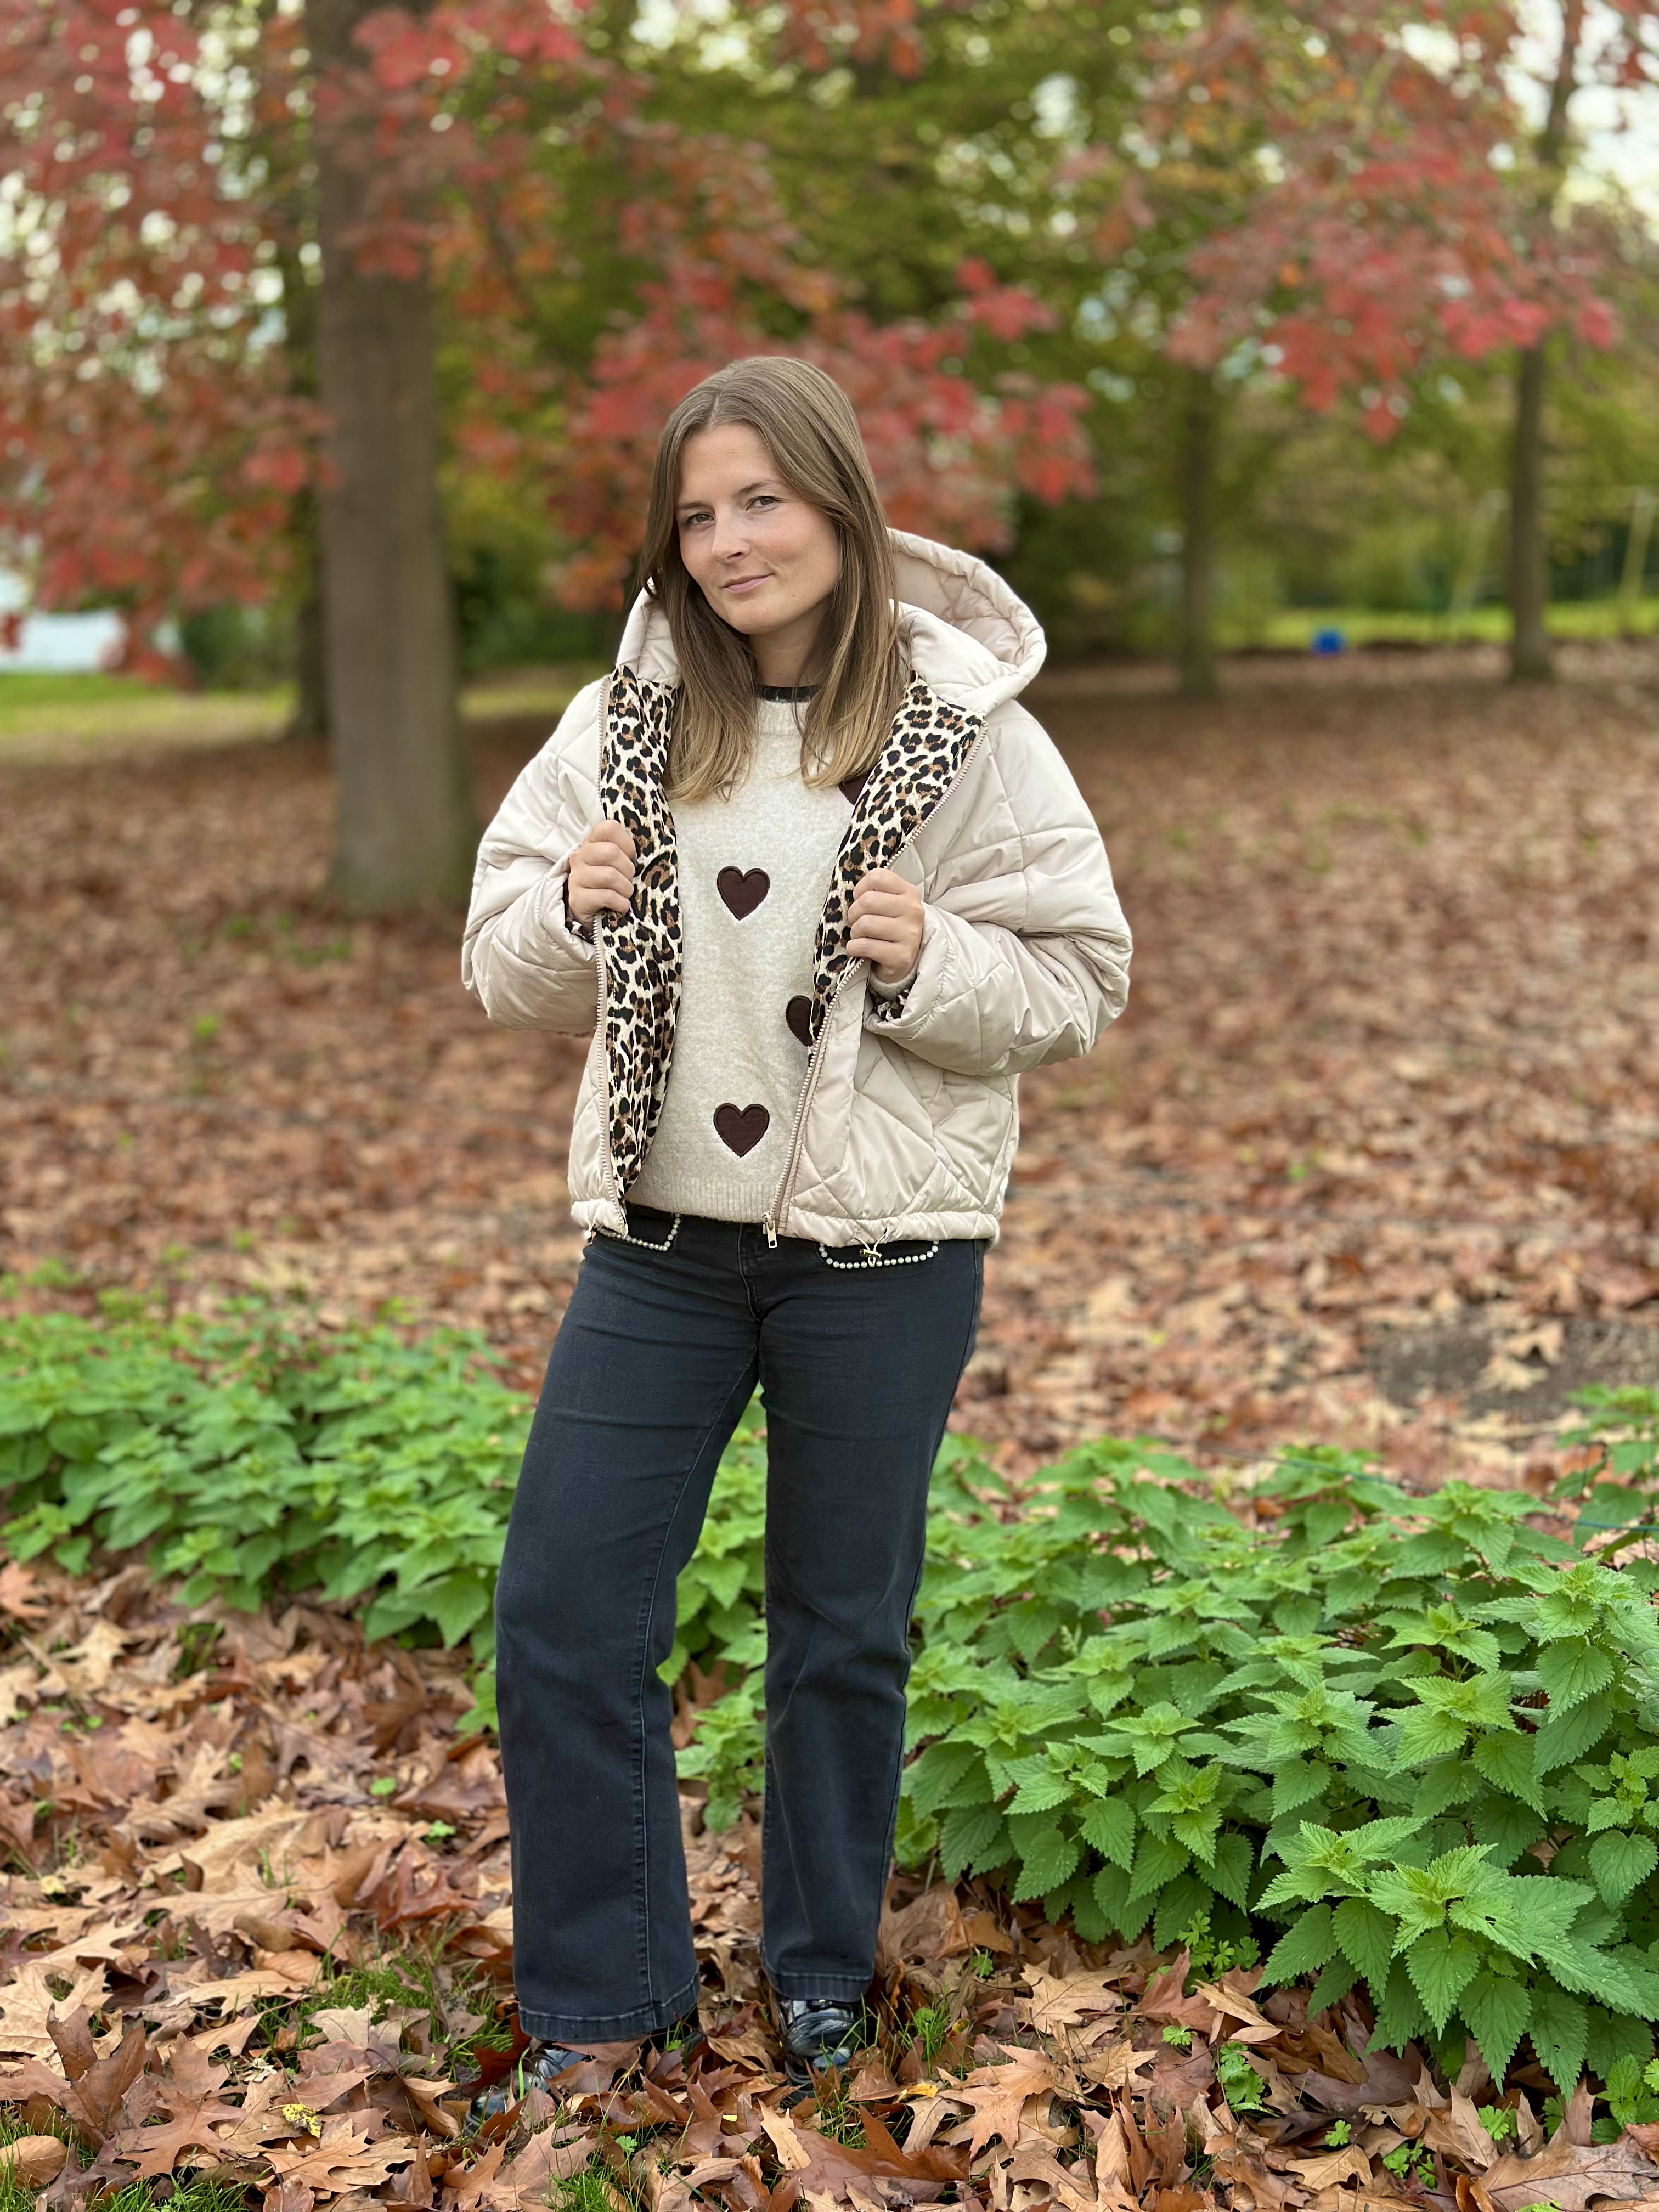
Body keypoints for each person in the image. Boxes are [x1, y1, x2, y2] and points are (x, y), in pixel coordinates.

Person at [461, 356, 1131, 2098]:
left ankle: (822, 1974)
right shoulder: (625, 719)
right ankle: (604, 2004)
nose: (729, 541)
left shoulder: (969, 728)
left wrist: (935, 961)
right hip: (659, 1259)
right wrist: (565, 912)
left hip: (883, 1261)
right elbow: (496, 958)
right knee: (564, 1608)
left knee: (842, 1629)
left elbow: (1082, 977)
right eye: (696, 515)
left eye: (760, 499)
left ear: (838, 502)